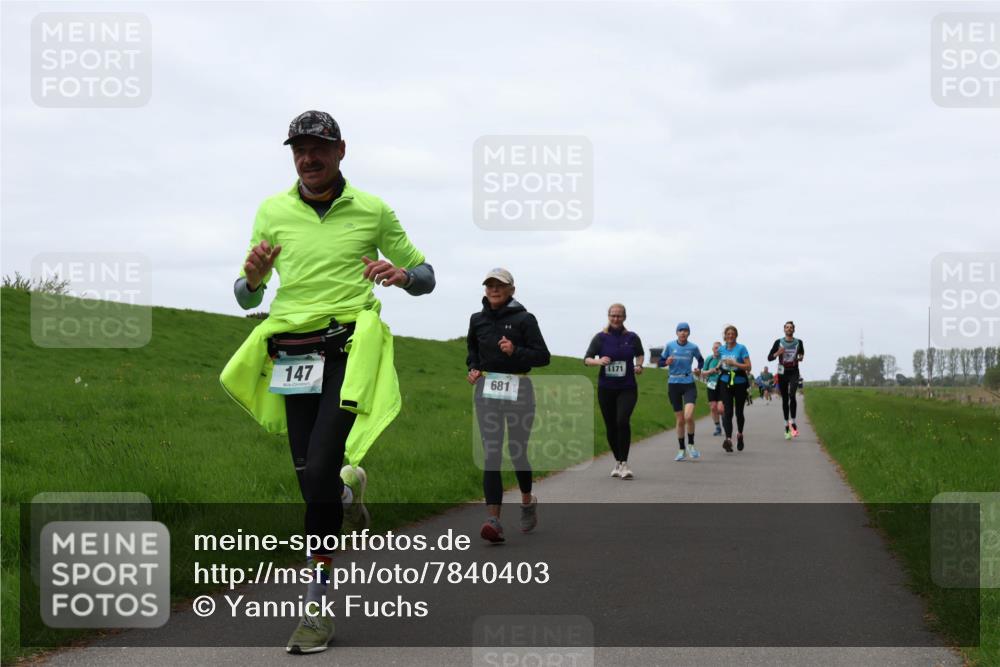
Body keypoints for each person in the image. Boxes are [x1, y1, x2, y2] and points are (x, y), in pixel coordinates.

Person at [221, 110, 435, 654]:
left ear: (340, 150)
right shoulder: (271, 211)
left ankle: (316, 609)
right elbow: (246, 294)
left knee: (318, 466)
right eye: (299, 149)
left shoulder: (373, 210)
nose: (308, 158)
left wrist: (401, 275)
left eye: (318, 147)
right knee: (308, 479)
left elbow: (426, 276)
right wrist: (252, 280)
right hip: (292, 354)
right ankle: (343, 492)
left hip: (345, 349)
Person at [467, 268, 550, 543]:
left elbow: (543, 357)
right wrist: (473, 369)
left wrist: (516, 351)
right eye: (489, 285)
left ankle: (527, 501)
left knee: (517, 451)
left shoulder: (525, 319)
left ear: (511, 290)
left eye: (499, 285)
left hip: (519, 390)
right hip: (487, 392)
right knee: (491, 453)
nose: (494, 289)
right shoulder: (477, 320)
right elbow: (473, 353)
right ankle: (493, 520)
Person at [584, 303, 645, 480]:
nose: (616, 318)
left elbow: (640, 354)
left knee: (622, 421)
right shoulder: (600, 338)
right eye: (613, 315)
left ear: (624, 317)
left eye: (619, 315)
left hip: (627, 387)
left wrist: (639, 365)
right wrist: (599, 361)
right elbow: (587, 359)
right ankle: (618, 461)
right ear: (608, 316)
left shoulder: (632, 337)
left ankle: (624, 463)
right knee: (610, 425)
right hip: (606, 388)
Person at [658, 323, 704, 461]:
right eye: (680, 331)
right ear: (677, 333)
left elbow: (700, 360)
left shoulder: (693, 347)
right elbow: (659, 362)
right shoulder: (670, 346)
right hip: (673, 384)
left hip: (688, 383)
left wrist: (698, 369)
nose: (683, 333)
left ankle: (691, 445)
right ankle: (681, 449)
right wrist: (666, 362)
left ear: (689, 333)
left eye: (685, 331)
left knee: (688, 416)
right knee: (680, 419)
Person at [767, 321, 805, 440]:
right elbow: (769, 358)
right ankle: (786, 426)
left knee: (792, 395)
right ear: (784, 330)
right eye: (787, 327)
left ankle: (793, 422)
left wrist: (800, 357)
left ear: (793, 330)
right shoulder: (778, 342)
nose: (789, 329)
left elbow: (801, 354)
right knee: (785, 399)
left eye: (791, 327)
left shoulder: (799, 342)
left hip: (794, 371)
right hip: (782, 372)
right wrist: (778, 353)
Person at [717, 325, 752, 452]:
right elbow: (720, 362)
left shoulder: (741, 348)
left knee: (739, 413)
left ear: (736, 335)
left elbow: (749, 367)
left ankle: (740, 435)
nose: (730, 336)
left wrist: (735, 363)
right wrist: (717, 367)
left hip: (739, 382)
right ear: (725, 336)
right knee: (728, 412)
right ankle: (728, 440)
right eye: (728, 334)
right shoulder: (721, 349)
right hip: (725, 381)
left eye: (732, 334)